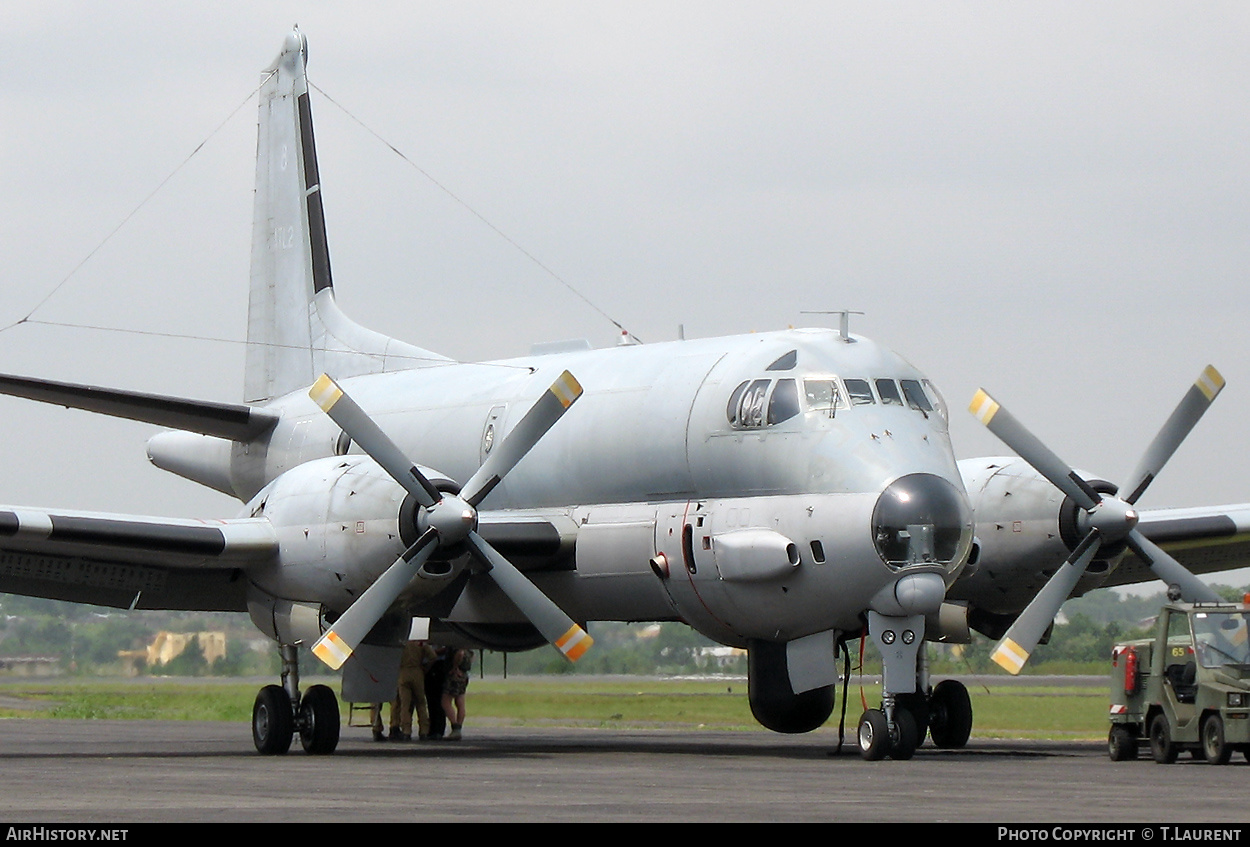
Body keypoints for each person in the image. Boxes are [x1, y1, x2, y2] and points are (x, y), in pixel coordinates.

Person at [390, 640, 433, 741]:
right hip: (417, 672)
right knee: (421, 703)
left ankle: (406, 730)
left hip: (403, 673)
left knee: (405, 705)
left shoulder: (401, 642)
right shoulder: (420, 642)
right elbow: (433, 656)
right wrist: (425, 667)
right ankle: (424, 730)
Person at [441, 647, 473, 740]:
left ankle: (455, 726)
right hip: (463, 675)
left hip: (454, 675)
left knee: (445, 702)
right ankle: (458, 727)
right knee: (460, 702)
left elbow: (460, 653)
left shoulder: (457, 644)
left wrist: (455, 667)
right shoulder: (469, 646)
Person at [424, 645, 448, 739]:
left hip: (437, 664)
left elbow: (445, 648)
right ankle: (433, 728)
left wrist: (432, 652)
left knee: (438, 700)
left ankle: (438, 729)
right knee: (431, 701)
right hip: (430, 665)